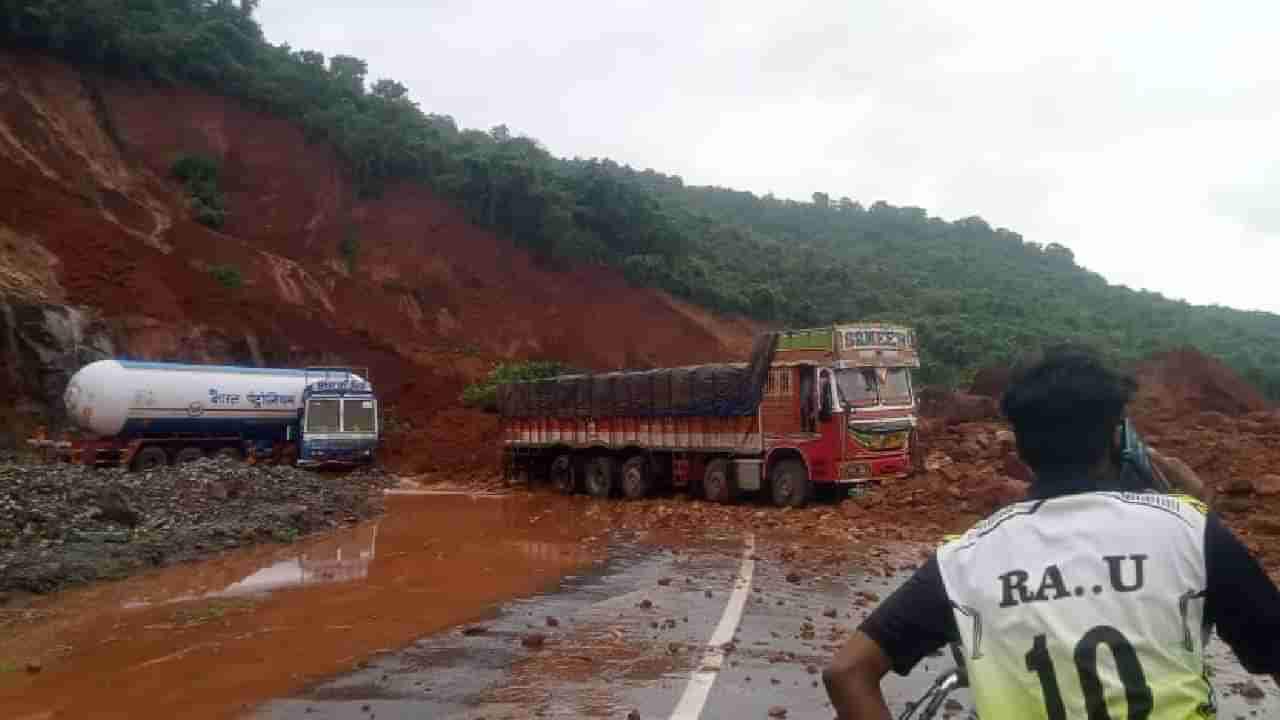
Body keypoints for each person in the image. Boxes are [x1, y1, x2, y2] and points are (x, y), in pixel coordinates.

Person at [823, 345, 1280, 719]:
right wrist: (1201, 510)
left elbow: (846, 672)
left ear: (1021, 449)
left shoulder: (965, 560)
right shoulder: (1189, 530)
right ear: (1118, 438)